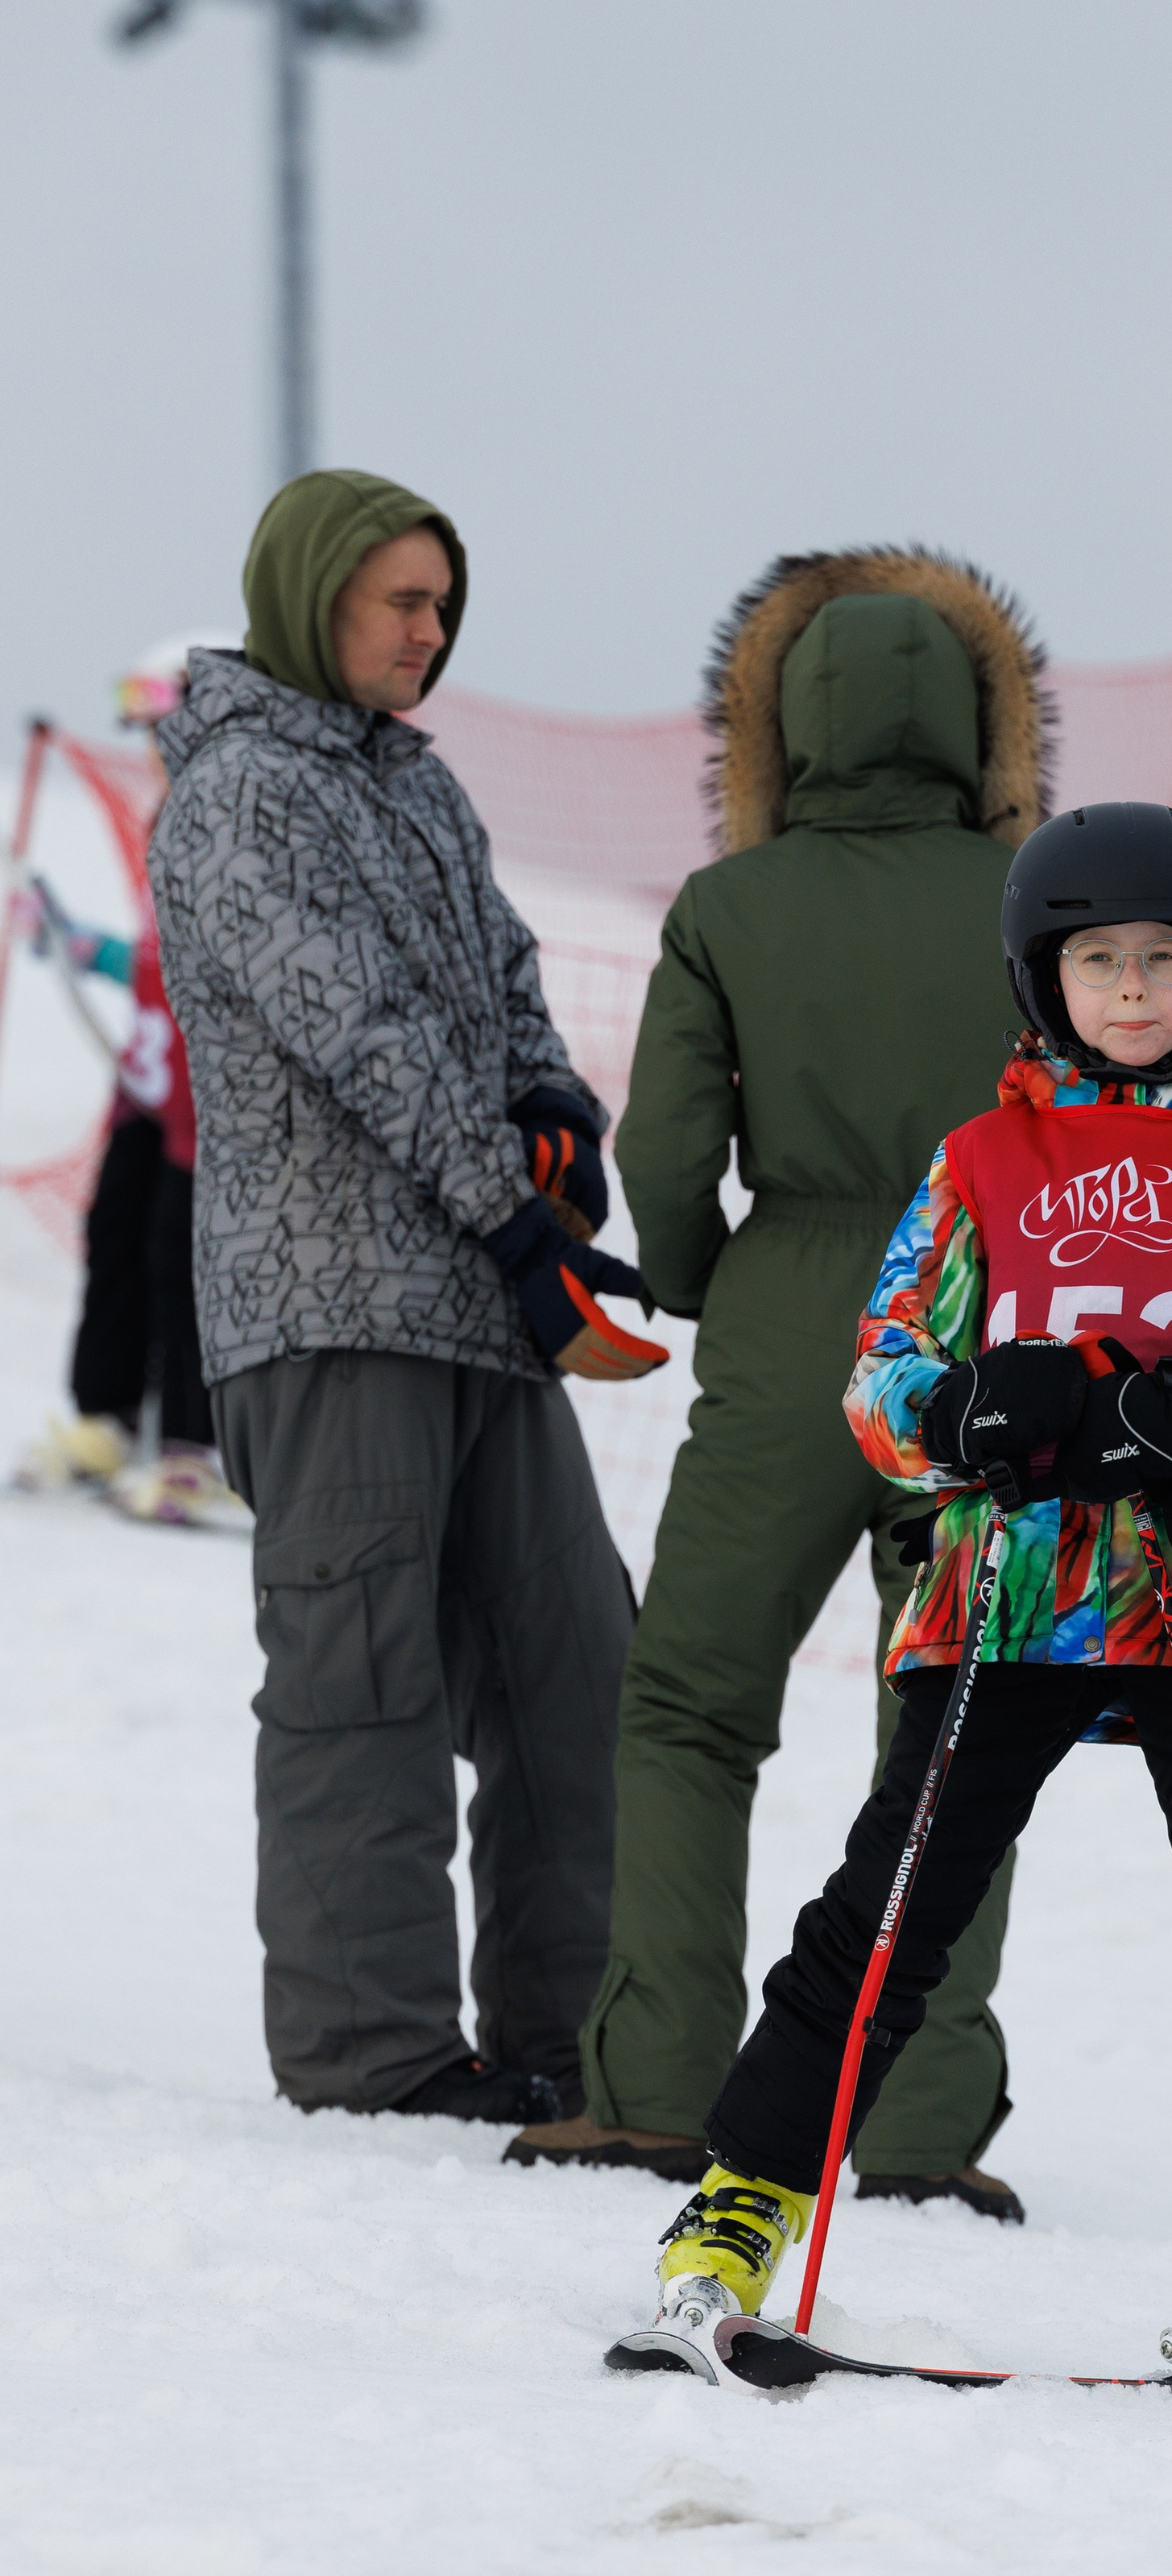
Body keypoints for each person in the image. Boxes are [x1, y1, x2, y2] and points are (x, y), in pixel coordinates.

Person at [607, 799, 1172, 2387]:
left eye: (1161, 959)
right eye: (1095, 960)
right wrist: (967, 1414)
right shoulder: (983, 1158)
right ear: (1041, 977)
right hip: (1013, 1590)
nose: (1128, 990)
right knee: (886, 1910)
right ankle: (733, 2216)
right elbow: (887, 1375)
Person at [509, 550, 1046, 2207]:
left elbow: (666, 1139)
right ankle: (911, 2116)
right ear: (971, 719)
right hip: (987, 1321)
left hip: (797, 1306)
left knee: (687, 1703)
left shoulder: (730, 904)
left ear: (787, 722)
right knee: (949, 1718)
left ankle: (659, 2083)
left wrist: (689, 1272)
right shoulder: (1039, 895)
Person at [148, 469, 665, 2123]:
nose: (428, 633)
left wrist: (557, 1124)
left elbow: (498, 986)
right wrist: (512, 1220)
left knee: (576, 1659)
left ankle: (567, 2027)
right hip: (326, 1303)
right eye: (400, 601)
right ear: (315, 598)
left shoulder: (419, 791)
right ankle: (370, 2049)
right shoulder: (238, 793)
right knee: (361, 1680)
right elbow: (356, 1031)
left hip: (473, 1294)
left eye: (444, 605)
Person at [14, 638, 237, 1524]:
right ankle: (107, 1417)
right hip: (147, 1088)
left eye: (163, 726)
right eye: (143, 731)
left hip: (206, 1096)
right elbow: (155, 958)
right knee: (114, 1233)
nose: (149, 748)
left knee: (182, 1259)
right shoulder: (165, 817)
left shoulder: (233, 819)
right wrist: (82, 946)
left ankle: (197, 1446)